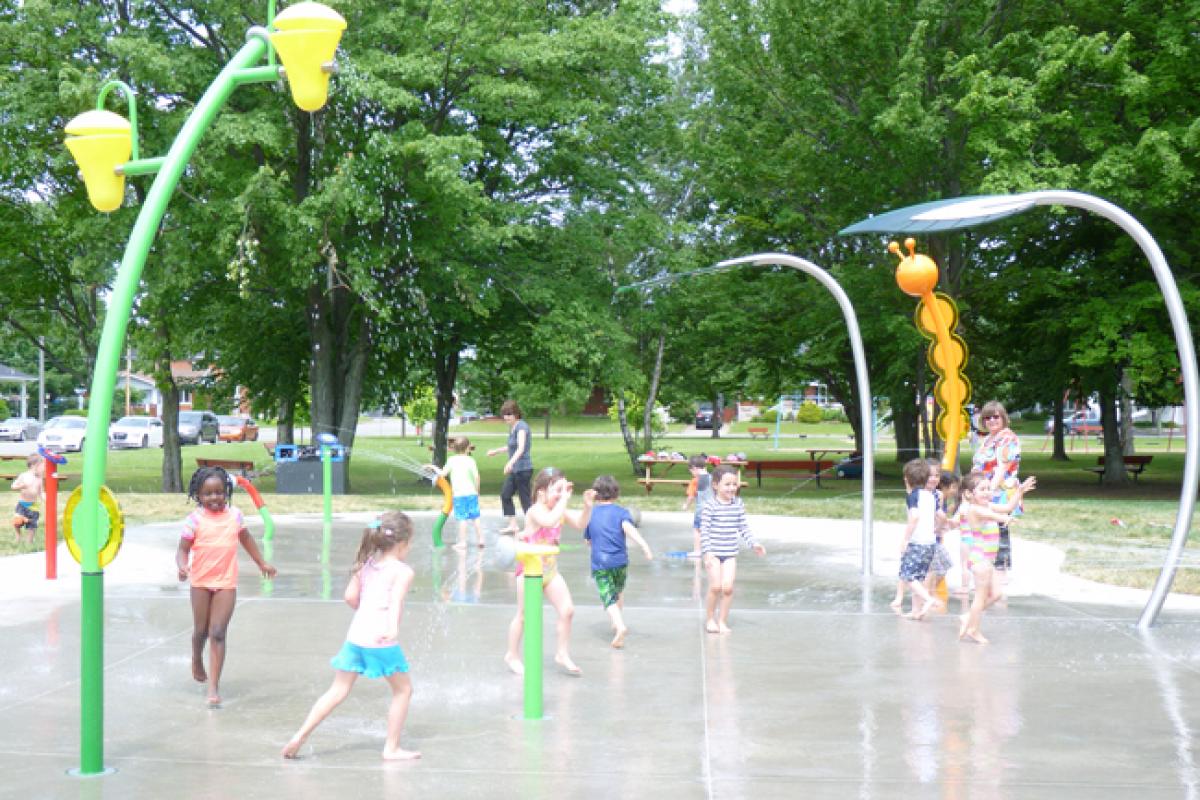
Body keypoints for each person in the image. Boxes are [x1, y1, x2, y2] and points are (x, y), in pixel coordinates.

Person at [283, 512, 420, 760]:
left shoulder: (365, 565)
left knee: (337, 690)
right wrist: (392, 628)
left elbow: (349, 598)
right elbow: (395, 603)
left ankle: (300, 735)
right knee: (403, 690)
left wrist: (366, 610)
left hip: (356, 636)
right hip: (381, 639)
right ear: (402, 544)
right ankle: (391, 748)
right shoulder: (402, 571)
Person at [176, 466, 276, 707]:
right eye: (208, 494)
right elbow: (182, 549)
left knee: (218, 632)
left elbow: (246, 538)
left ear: (227, 492)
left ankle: (213, 687)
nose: (215, 498)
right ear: (198, 495)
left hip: (225, 582)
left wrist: (262, 562)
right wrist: (182, 566)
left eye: (219, 492)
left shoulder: (235, 516)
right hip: (200, 581)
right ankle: (196, 658)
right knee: (201, 631)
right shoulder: (194, 520)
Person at [504, 467, 594, 676]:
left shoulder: (558, 509)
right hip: (528, 571)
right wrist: (564, 500)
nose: (562, 494)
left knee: (567, 610)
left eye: (564, 488)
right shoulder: (535, 510)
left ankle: (562, 653)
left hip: (550, 571)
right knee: (524, 616)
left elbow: (581, 524)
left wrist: (587, 507)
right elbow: (549, 521)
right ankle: (512, 654)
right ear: (542, 492)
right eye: (557, 489)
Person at [958, 471, 1037, 644]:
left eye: (988, 488)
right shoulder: (975, 509)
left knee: (997, 594)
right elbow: (996, 516)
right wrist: (1004, 518)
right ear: (969, 494)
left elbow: (1008, 507)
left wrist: (1020, 491)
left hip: (987, 561)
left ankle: (968, 617)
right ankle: (973, 629)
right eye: (982, 489)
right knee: (980, 597)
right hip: (980, 560)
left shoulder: (987, 506)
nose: (987, 492)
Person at [584, 475, 653, 649]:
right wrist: (645, 546)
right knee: (619, 591)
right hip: (620, 561)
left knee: (607, 596)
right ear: (616, 494)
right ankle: (618, 621)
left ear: (596, 494)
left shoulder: (590, 514)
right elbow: (629, 530)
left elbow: (588, 541)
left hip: (601, 563)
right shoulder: (622, 513)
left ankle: (619, 625)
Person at [700, 465, 765, 634]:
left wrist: (754, 543)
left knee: (727, 588)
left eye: (734, 484)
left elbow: (743, 527)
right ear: (715, 485)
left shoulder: (738, 504)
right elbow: (704, 531)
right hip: (713, 552)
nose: (731, 488)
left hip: (730, 554)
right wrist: (707, 554)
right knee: (715, 587)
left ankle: (722, 621)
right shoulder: (710, 506)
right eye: (727, 484)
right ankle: (709, 619)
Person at [972, 400, 1021, 576]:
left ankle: (1002, 570)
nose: (991, 420)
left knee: (1000, 529)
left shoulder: (1008, 438)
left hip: (999, 491)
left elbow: (1002, 468)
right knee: (987, 529)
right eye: (987, 417)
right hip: (983, 491)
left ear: (1003, 417)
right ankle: (989, 568)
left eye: (995, 416)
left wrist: (989, 491)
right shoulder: (987, 439)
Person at [889, 459, 943, 620]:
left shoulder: (913, 496)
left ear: (907, 478)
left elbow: (914, 516)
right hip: (930, 543)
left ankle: (928, 599)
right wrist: (938, 528)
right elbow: (940, 516)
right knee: (918, 577)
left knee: (908, 576)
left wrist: (905, 539)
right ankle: (915, 611)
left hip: (917, 543)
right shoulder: (930, 495)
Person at [487, 400, 532, 535]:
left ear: (516, 414)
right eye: (504, 414)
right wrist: (496, 451)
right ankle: (513, 526)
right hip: (515, 469)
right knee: (505, 495)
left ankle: (532, 527)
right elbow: (511, 446)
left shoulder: (521, 427)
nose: (506, 417)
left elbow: (521, 448)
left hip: (523, 469)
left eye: (509, 414)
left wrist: (510, 463)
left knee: (525, 499)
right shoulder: (512, 428)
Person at [435, 435, 484, 550]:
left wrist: (434, 468)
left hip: (459, 495)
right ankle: (481, 539)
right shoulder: (471, 460)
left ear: (454, 449)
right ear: (468, 448)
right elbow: (477, 477)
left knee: (462, 519)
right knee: (476, 517)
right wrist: (477, 491)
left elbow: (442, 474)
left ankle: (463, 542)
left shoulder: (452, 460)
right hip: (472, 493)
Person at [925, 469, 961, 600]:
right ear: (945, 487)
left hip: (937, 539)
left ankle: (929, 592)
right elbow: (938, 516)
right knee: (934, 569)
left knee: (944, 564)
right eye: (954, 487)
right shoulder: (938, 496)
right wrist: (947, 524)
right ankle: (927, 594)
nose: (955, 491)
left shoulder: (944, 500)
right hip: (932, 540)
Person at [681, 454, 711, 557]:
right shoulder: (713, 479)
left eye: (691, 472)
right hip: (713, 510)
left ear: (694, 469)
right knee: (711, 531)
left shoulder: (695, 481)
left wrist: (686, 506)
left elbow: (691, 497)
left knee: (697, 530)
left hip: (701, 512)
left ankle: (697, 551)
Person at [10, 452, 44, 545]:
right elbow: (13, 486)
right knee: (17, 522)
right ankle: (18, 536)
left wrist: (44, 499)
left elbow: (41, 492)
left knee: (32, 526)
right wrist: (21, 486)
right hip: (22, 503)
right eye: (42, 466)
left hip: (33, 505)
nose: (43, 469)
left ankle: (29, 541)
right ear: (34, 465)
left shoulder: (39, 478)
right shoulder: (23, 475)